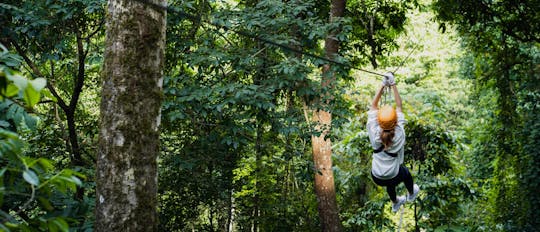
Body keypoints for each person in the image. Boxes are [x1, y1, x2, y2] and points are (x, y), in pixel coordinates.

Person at [366, 72, 420, 212]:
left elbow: (373, 106)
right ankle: (411, 193)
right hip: (393, 174)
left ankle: (395, 201)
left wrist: (383, 85)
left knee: (389, 181)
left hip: (376, 176)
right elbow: (399, 106)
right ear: (395, 121)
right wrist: (393, 84)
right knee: (405, 173)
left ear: (379, 120)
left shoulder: (373, 131)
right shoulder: (399, 134)